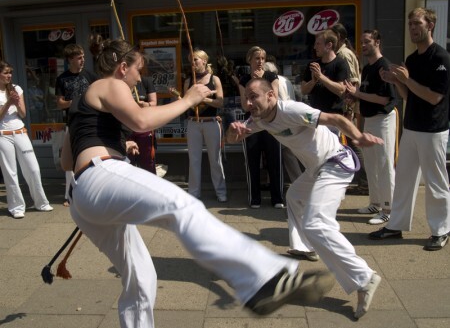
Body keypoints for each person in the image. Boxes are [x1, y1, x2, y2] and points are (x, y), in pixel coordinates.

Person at [60, 38, 334, 328]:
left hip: (84, 196)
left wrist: (117, 142)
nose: (139, 78)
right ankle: (265, 278)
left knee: (141, 278)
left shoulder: (80, 103)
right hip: (101, 177)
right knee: (183, 205)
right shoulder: (111, 83)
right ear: (123, 67)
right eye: (138, 70)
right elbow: (142, 121)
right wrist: (188, 99)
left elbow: (67, 161)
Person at [227, 78, 383, 319]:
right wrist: (232, 130)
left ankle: (365, 278)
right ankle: (306, 246)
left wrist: (358, 137)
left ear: (270, 95)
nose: (248, 102)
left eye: (253, 96)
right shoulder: (257, 119)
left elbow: (337, 119)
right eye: (246, 98)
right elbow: (231, 139)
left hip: (336, 163)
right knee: (294, 197)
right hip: (316, 170)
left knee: (316, 223)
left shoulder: (292, 110)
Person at [370, 8, 450, 251]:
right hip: (412, 127)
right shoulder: (413, 59)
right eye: (410, 24)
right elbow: (409, 95)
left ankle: (441, 230)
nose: (413, 28)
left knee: (436, 182)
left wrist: (406, 80)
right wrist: (396, 82)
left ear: (430, 25)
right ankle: (396, 225)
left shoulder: (442, 58)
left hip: (433, 129)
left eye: (417, 23)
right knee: (404, 179)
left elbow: (434, 97)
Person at [345, 29, 398, 225]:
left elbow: (384, 98)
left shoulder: (384, 66)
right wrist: (353, 94)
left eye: (367, 41)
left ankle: (389, 208)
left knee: (384, 164)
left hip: (383, 119)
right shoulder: (367, 68)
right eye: (361, 42)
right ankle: (375, 203)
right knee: (371, 163)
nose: (363, 45)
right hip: (370, 119)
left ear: (377, 42)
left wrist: (357, 94)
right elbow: (366, 95)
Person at [0, 61, 53, 219]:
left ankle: (41, 202)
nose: (9, 75)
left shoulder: (16, 88)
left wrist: (16, 102)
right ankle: (16, 207)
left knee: (33, 168)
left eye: (10, 72)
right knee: (10, 172)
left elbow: (22, 114)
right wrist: (8, 102)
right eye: (6, 72)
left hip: (19, 130)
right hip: (3, 133)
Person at [239, 46, 284, 208]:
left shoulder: (272, 77)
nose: (260, 62)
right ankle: (254, 198)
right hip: (252, 124)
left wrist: (262, 82)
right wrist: (254, 85)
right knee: (252, 160)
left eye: (263, 58)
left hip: (271, 122)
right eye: (257, 58)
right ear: (249, 60)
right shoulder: (244, 80)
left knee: (275, 159)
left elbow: (274, 101)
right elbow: (246, 105)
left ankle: (277, 198)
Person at [55, 43, 98, 207]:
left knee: (89, 156)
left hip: (90, 121)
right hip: (72, 121)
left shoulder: (91, 75)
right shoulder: (62, 78)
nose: (82, 60)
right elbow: (59, 103)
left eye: (83, 57)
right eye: (79, 57)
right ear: (70, 59)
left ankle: (90, 191)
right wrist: (74, 101)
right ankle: (69, 194)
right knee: (70, 159)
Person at [183, 49, 227, 202]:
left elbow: (220, 102)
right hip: (194, 123)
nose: (193, 63)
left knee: (215, 158)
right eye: (191, 60)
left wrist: (204, 99)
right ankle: (194, 193)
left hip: (211, 122)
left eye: (195, 59)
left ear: (203, 60)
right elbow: (185, 104)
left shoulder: (214, 79)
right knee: (194, 159)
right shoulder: (189, 81)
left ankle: (221, 192)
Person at [331, 23, 368, 195]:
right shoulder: (342, 53)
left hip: (348, 107)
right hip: (347, 106)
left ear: (338, 37)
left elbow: (352, 82)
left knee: (353, 141)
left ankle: (365, 181)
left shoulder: (344, 54)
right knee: (350, 142)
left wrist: (349, 109)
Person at [301, 29, 350, 138]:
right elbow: (303, 90)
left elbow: (341, 90)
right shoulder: (313, 65)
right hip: (314, 117)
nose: (314, 47)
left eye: (318, 44)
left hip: (332, 118)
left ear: (329, 45)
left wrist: (321, 77)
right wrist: (313, 81)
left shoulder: (340, 64)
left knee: (332, 152)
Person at [264, 61, 303, 183]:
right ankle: (295, 180)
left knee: (279, 153)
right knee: (287, 153)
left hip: (279, 121)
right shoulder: (286, 80)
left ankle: (278, 181)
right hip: (289, 120)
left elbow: (277, 102)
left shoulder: (271, 83)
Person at [127, 57, 158, 174]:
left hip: (144, 127)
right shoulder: (124, 84)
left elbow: (154, 104)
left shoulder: (146, 81)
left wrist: (145, 104)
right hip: (128, 127)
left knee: (147, 162)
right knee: (129, 162)